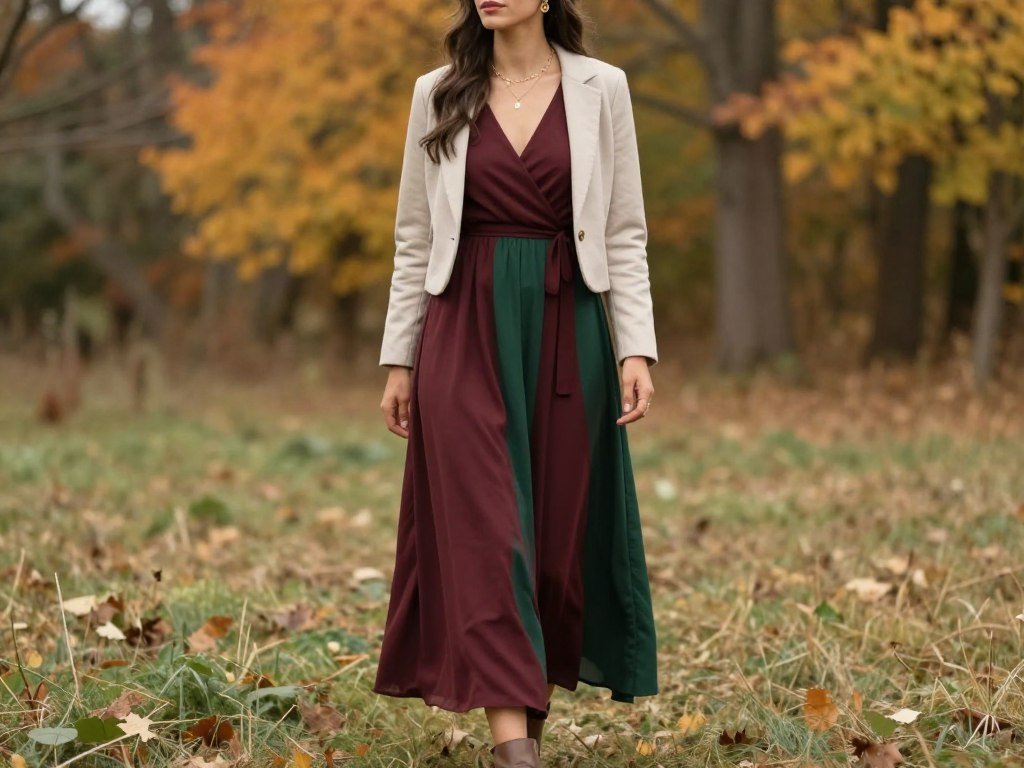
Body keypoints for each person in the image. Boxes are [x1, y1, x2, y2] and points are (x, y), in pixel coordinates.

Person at [374, 1, 659, 765]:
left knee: (551, 547)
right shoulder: (438, 91)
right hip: (463, 325)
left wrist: (636, 348)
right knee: (488, 532)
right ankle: (514, 754)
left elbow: (625, 229)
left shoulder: (605, 88)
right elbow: (414, 235)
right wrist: (399, 357)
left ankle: (520, 729)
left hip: (571, 328)